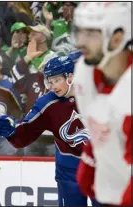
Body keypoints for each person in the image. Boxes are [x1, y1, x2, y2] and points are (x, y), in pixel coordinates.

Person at [0, 55, 99, 206]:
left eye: (57, 80)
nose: (53, 86)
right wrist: (10, 131)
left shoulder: (97, 93)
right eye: (50, 82)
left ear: (70, 76)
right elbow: (26, 131)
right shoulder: (47, 103)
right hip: (68, 172)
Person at [72, 2, 132, 206]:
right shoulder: (83, 71)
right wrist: (91, 157)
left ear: (117, 38)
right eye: (80, 32)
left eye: (91, 34)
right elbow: (102, 122)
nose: (81, 41)